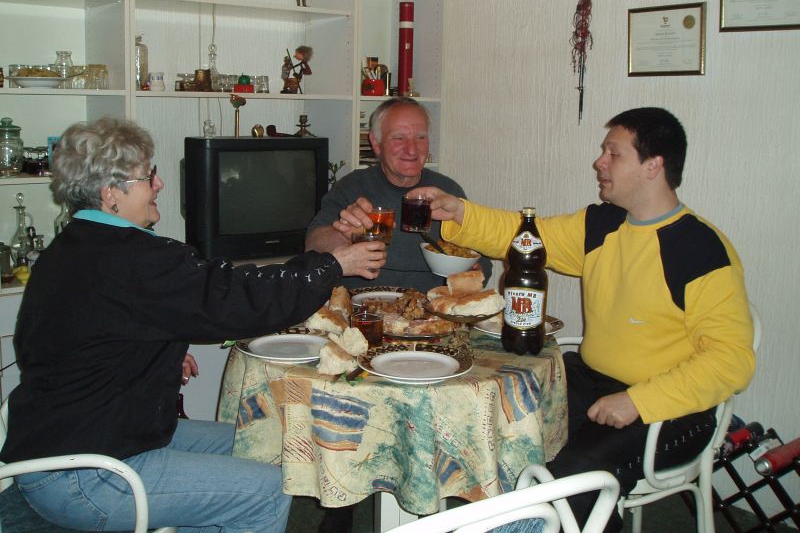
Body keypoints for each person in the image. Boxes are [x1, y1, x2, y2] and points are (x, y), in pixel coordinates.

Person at [0, 118, 385, 532]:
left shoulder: (74, 245)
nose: (160, 183)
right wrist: (332, 265)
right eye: (147, 175)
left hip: (88, 442)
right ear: (110, 193)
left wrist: (155, 353)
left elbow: (82, 337)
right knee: (267, 491)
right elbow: (237, 299)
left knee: (265, 443)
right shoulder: (133, 259)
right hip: (86, 473)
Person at [414, 107, 756, 533]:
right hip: (592, 380)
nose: (599, 162)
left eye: (614, 153)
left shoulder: (699, 249)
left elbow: (731, 360)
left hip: (673, 410)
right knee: (498, 422)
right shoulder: (602, 224)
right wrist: (459, 213)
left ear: (653, 165)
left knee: (572, 478)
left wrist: (639, 401)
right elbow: (524, 235)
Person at [306, 96, 492, 293]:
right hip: (362, 306)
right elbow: (312, 246)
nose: (412, 149)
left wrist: (475, 271)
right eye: (399, 138)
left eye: (420, 137)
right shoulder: (352, 187)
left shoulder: (448, 191)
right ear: (376, 143)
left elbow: (482, 261)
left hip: (432, 306)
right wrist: (345, 235)